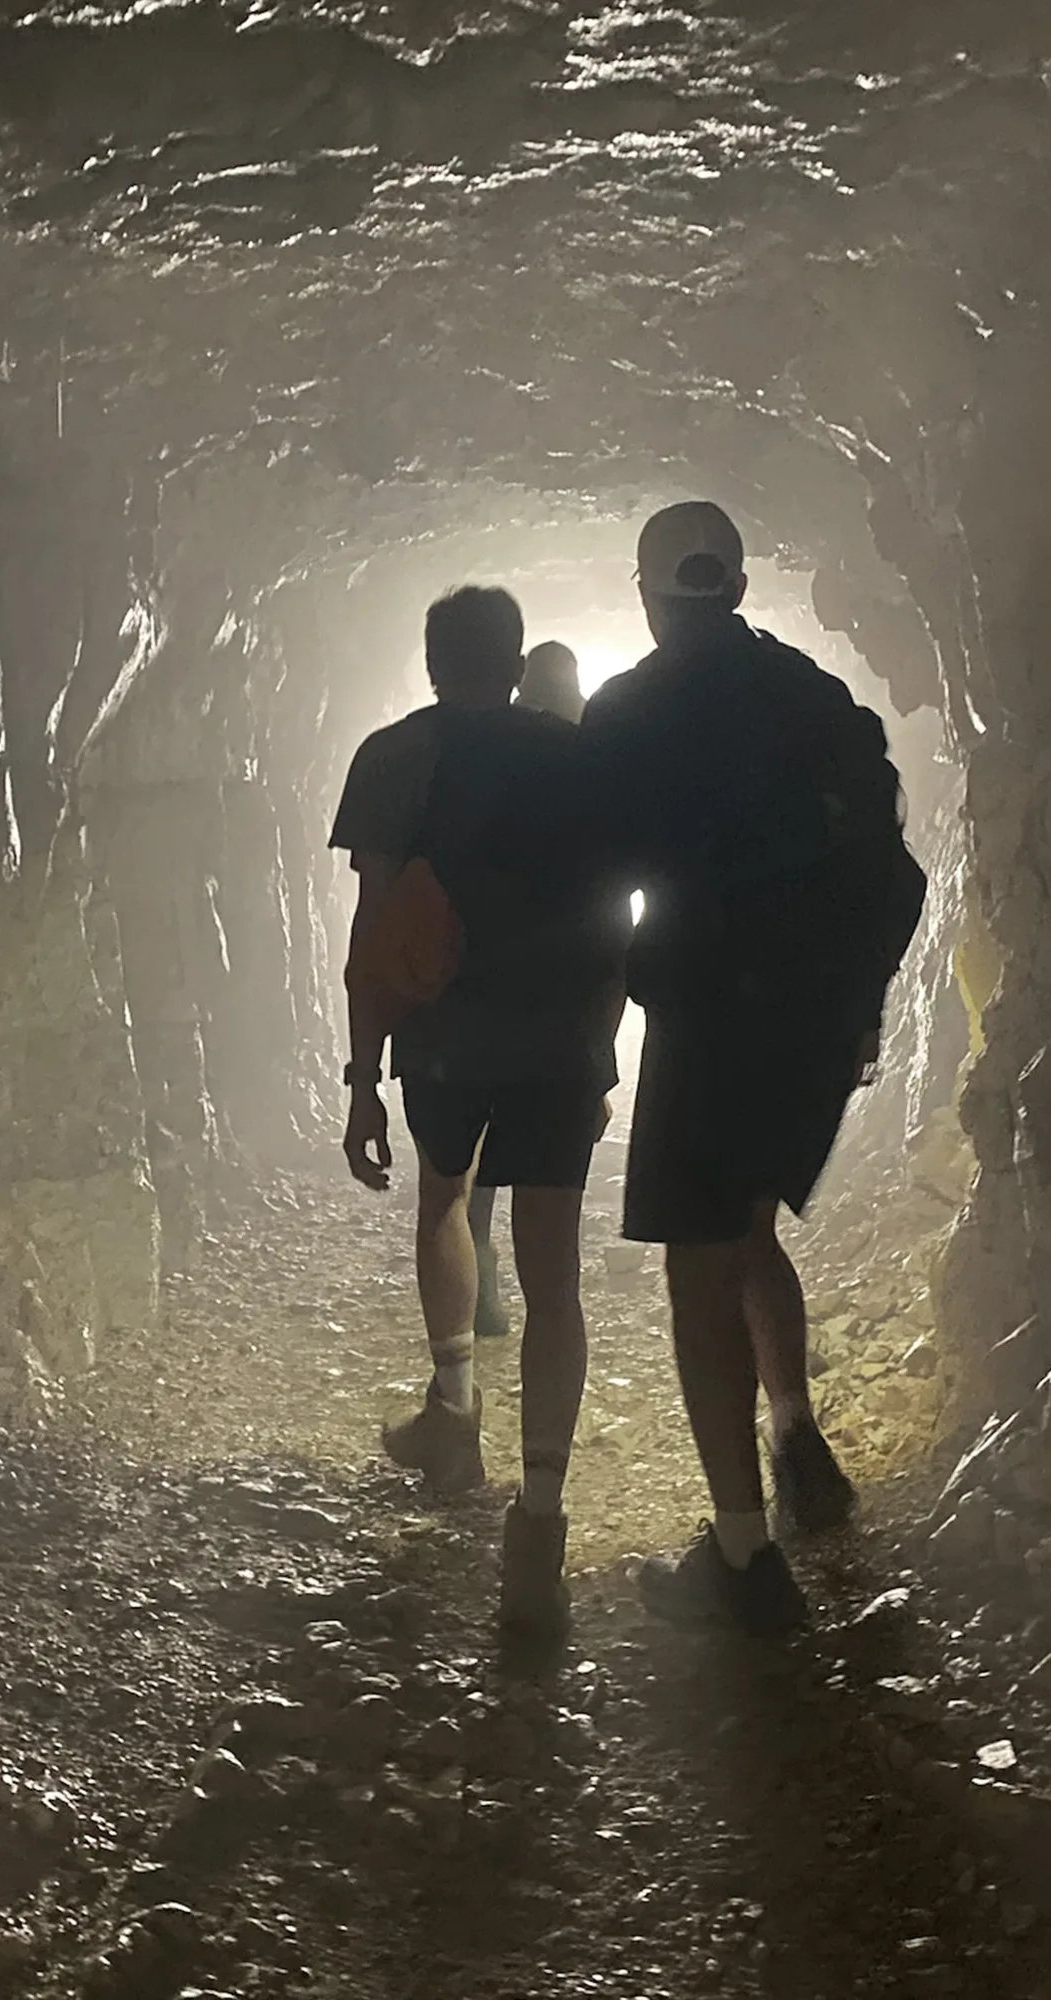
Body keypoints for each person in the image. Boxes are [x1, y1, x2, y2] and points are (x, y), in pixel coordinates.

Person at [580, 503, 925, 1635]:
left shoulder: (629, 711)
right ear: (734, 586)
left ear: (647, 594)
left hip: (707, 1020)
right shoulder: (814, 697)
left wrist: (594, 1020)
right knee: (748, 1230)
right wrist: (858, 1009)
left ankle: (742, 1550)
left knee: (698, 1267)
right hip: (807, 1024)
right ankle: (795, 1438)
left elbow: (600, 882)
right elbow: (892, 874)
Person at [331, 589, 625, 1636]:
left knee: (444, 1200)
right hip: (555, 1042)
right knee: (552, 1273)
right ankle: (538, 1518)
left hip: (445, 1038)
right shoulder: (579, 761)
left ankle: (454, 1410)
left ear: (431, 660)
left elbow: (375, 930)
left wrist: (363, 1076)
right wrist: (601, 1049)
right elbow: (616, 912)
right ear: (512, 661)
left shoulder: (392, 758)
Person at [469, 638, 591, 1342]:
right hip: (560, 1010)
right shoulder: (589, 763)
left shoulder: (490, 755)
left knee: (481, 1152)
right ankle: (545, 1309)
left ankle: (480, 1278)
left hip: (487, 991)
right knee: (548, 1178)